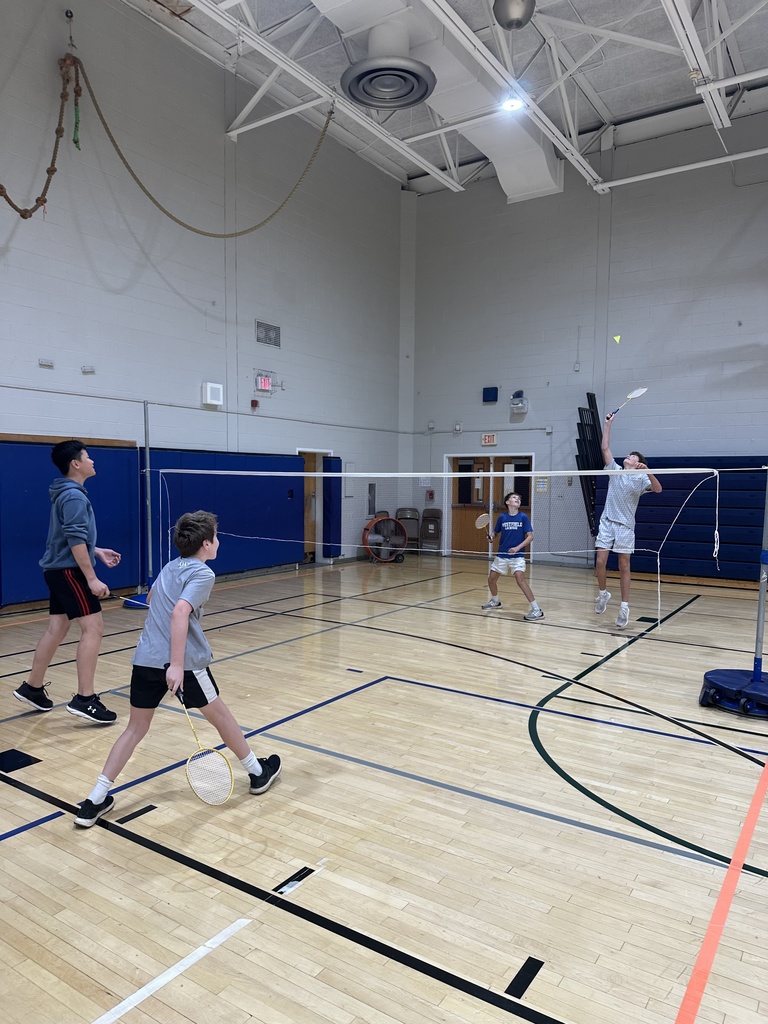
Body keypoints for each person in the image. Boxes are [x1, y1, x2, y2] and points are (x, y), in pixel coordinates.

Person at [74, 510, 281, 828]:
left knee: (134, 729)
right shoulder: (203, 574)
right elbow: (180, 612)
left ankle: (95, 799)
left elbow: (155, 597)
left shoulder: (170, 566)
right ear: (207, 544)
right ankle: (256, 772)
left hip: (145, 660)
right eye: (217, 537)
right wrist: (178, 665)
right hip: (183, 665)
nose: (218, 541)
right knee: (222, 717)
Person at [14, 440, 121, 723]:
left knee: (57, 628)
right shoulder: (73, 496)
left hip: (58, 570)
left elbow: (71, 536)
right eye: (88, 457)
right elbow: (73, 539)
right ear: (75, 463)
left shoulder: (67, 493)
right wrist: (92, 578)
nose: (92, 461)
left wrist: (96, 549)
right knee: (93, 628)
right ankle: (85, 699)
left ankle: (33, 688)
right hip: (69, 572)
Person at [594, 412, 662, 628]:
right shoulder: (614, 470)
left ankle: (624, 607)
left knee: (624, 565)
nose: (629, 457)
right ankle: (603, 594)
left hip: (625, 527)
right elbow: (605, 448)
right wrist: (608, 424)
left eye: (634, 457)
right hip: (607, 522)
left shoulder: (642, 478)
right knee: (600, 563)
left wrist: (649, 472)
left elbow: (658, 489)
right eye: (629, 455)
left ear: (639, 463)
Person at [481, 492, 543, 621]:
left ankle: (537, 610)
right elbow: (495, 533)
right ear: (508, 502)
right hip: (502, 554)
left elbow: (530, 537)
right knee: (491, 579)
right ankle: (495, 601)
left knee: (520, 579)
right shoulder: (502, 517)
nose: (518, 499)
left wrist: (517, 548)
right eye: (514, 498)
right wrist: (491, 537)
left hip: (517, 555)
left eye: (519, 498)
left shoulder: (523, 517)